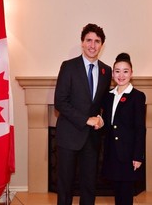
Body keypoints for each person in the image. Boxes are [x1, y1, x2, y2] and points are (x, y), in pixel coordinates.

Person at [54, 23, 112, 205]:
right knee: (65, 186)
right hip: (68, 136)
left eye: (97, 41)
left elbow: (103, 103)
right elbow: (60, 102)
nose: (92, 45)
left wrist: (101, 118)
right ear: (82, 43)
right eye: (89, 40)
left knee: (89, 186)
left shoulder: (106, 70)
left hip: (92, 139)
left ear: (102, 45)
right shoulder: (68, 67)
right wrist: (86, 119)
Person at [101, 53, 146, 205]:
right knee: (117, 192)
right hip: (112, 152)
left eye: (125, 71)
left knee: (126, 194)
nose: (121, 75)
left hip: (128, 155)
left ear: (131, 73)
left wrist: (138, 156)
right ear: (113, 74)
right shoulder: (107, 96)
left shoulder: (137, 96)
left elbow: (140, 128)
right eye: (117, 71)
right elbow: (107, 123)